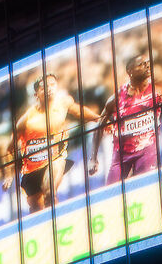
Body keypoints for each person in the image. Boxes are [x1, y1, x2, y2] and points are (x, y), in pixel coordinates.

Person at [6, 69, 96, 213]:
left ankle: (57, 226)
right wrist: (9, 175)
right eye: (43, 87)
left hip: (56, 159)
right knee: (36, 208)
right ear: (36, 94)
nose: (49, 89)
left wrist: (100, 119)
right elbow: (10, 149)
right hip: (32, 168)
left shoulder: (64, 103)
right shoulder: (25, 120)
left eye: (52, 85)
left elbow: (80, 112)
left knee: (49, 194)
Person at [89, 50, 162, 183]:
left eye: (148, 63)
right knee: (112, 191)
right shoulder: (116, 99)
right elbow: (99, 126)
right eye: (142, 64)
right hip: (121, 154)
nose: (147, 66)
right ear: (130, 71)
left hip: (147, 149)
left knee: (143, 185)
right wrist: (93, 158)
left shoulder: (160, 87)